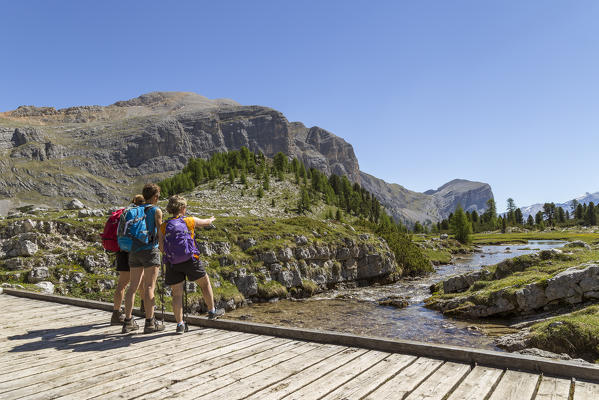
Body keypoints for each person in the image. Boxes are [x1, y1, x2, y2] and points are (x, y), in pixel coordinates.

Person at [160, 195, 224, 334]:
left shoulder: (164, 226)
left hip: (172, 263)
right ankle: (212, 311)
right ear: (183, 208)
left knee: (177, 294)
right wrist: (211, 219)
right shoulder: (189, 220)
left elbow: (161, 247)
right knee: (205, 283)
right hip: (191, 260)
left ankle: (180, 325)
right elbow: (205, 222)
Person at [122, 183, 165, 334]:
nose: (158, 199)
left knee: (132, 287)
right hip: (149, 250)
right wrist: (163, 249)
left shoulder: (134, 209)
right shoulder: (156, 210)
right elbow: (160, 232)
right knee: (149, 287)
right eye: (158, 196)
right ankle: (150, 322)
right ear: (154, 197)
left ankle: (128, 322)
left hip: (134, 250)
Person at [110, 195, 145, 325]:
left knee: (122, 284)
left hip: (121, 249)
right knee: (141, 280)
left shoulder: (124, 213)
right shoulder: (141, 213)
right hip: (135, 250)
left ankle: (116, 313)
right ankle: (144, 307)